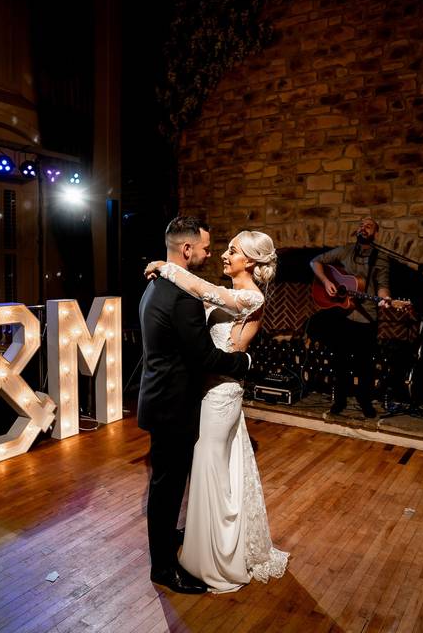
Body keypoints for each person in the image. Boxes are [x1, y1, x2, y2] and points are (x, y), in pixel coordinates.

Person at [145, 230, 289, 593]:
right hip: (204, 391)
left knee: (211, 470)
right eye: (222, 249)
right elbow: (201, 291)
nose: (223, 255)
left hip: (221, 392)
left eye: (232, 251)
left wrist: (165, 266)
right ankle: (206, 542)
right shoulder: (222, 290)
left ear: (251, 262)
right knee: (212, 471)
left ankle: (212, 555)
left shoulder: (249, 297)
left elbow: (206, 294)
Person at [137, 216, 252, 594]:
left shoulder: (156, 287)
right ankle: (163, 568)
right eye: (204, 247)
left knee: (167, 484)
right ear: (186, 249)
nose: (208, 253)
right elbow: (204, 357)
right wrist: (244, 364)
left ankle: (167, 542)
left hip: (159, 397)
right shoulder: (181, 296)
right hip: (173, 405)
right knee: (168, 488)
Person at [309, 216, 392, 418]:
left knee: (365, 364)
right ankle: (340, 400)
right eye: (361, 225)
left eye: (369, 226)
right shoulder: (345, 250)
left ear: (375, 233)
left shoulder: (381, 258)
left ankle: (364, 401)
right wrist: (327, 281)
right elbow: (315, 262)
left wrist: (386, 299)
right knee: (340, 360)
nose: (363, 228)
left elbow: (382, 286)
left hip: (367, 317)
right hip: (343, 315)